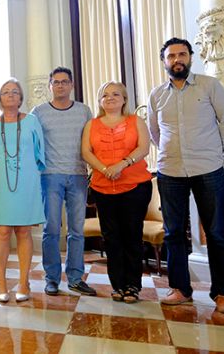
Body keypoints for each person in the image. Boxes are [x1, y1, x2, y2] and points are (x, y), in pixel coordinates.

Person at [148, 37, 224, 314]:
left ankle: (222, 294)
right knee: (174, 233)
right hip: (170, 171)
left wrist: (213, 151)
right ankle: (180, 290)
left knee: (216, 233)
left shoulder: (210, 86)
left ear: (190, 57)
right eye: (171, 56)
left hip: (208, 169)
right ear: (164, 62)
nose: (177, 59)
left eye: (182, 54)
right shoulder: (157, 95)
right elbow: (154, 133)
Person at [82, 81, 152, 303]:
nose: (110, 98)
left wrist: (121, 165)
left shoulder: (135, 121)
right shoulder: (91, 124)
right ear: (100, 101)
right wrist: (104, 170)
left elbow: (143, 148)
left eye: (115, 94)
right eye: (105, 95)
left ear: (124, 99)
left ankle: (133, 285)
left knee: (132, 235)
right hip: (103, 188)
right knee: (111, 238)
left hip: (135, 186)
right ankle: (118, 285)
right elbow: (86, 152)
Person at [31, 67, 96, 297]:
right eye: (56, 82)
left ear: (71, 85)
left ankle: (76, 278)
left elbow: (92, 142)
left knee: (77, 230)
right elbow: (31, 145)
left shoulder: (83, 111)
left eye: (64, 81)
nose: (60, 85)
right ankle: (51, 279)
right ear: (50, 86)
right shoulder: (38, 112)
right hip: (49, 176)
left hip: (78, 175)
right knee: (50, 229)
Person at [0, 79, 45, 303]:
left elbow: (40, 154)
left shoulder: (33, 122)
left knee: (24, 231)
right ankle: (1, 282)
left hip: (26, 183)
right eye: (6, 92)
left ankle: (24, 282)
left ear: (21, 98)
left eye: (15, 92)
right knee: (3, 232)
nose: (10, 95)